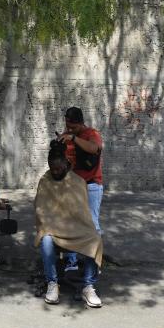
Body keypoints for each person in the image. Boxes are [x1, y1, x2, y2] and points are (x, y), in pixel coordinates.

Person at [35, 143, 103, 308]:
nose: (55, 172)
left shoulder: (78, 182)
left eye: (59, 168)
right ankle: (52, 283)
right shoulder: (45, 180)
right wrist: (53, 225)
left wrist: (72, 226)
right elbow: (41, 210)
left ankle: (88, 286)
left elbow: (82, 213)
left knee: (95, 239)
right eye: (53, 169)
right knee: (46, 239)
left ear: (67, 164)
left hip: (75, 229)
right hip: (53, 228)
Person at [59, 106, 104, 271]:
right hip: (73, 184)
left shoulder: (92, 134)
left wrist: (74, 138)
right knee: (71, 224)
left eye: (74, 127)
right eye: (68, 126)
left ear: (81, 123)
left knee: (92, 225)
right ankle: (72, 262)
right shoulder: (68, 134)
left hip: (92, 185)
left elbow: (94, 148)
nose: (70, 130)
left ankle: (94, 263)